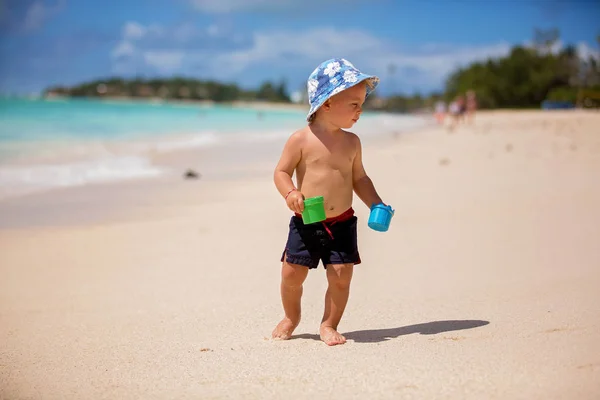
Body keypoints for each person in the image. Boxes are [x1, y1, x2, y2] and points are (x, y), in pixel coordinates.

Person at [272, 58, 388, 346]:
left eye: (362, 104)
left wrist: (376, 203)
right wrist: (291, 193)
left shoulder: (353, 142)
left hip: (342, 222)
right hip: (307, 221)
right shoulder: (300, 140)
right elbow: (281, 172)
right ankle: (291, 316)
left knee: (340, 277)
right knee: (291, 274)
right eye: (354, 104)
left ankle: (328, 323)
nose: (360, 111)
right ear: (326, 103)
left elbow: (359, 178)